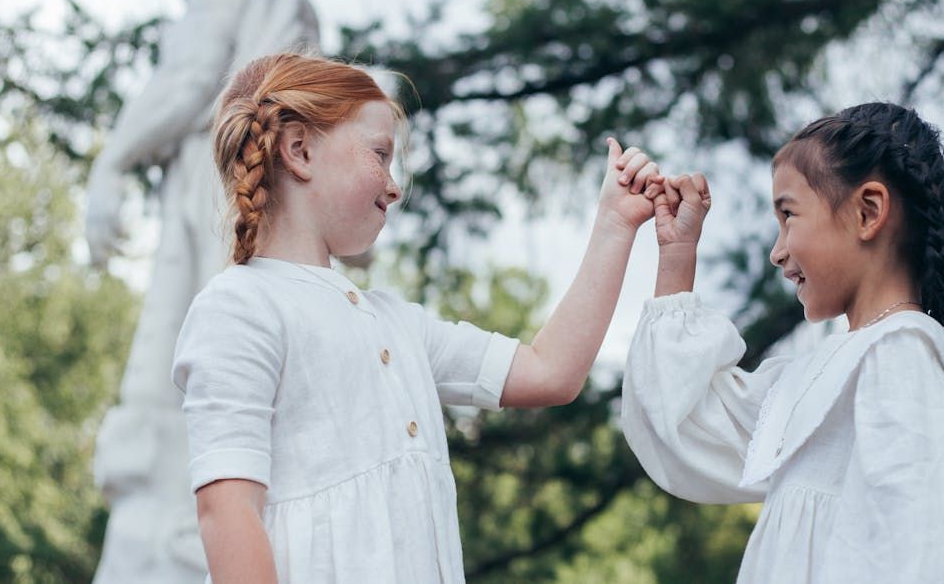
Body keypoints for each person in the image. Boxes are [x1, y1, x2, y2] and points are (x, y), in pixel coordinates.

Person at [172, 52, 665, 582]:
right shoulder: (239, 307)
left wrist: (615, 224)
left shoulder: (396, 325)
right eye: (380, 154)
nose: (394, 185)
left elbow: (551, 371)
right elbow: (227, 510)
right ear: (300, 150)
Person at [621, 103, 944, 583]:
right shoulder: (822, 376)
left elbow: (928, 550)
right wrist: (677, 254)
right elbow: (685, 425)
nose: (778, 252)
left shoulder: (900, 355)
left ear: (868, 212)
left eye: (788, 215)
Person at [85, 0, 320, 580]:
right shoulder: (280, 0)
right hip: (256, 208)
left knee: (187, 381)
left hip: (215, 201)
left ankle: (183, 546)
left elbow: (193, 75)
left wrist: (111, 161)